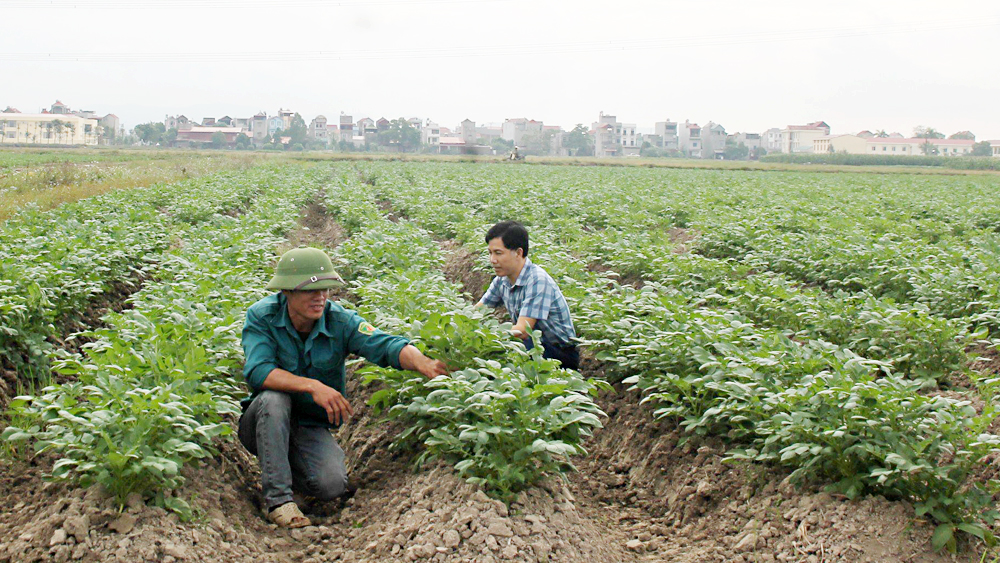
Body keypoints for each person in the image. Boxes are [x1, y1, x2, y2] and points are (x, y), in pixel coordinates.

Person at [239, 247, 449, 528]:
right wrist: (313, 385)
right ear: (287, 291)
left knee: (331, 485)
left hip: (309, 425)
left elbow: (385, 344)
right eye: (310, 290)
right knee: (274, 399)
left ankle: (292, 477)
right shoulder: (262, 316)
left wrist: (423, 363)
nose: (320, 297)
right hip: (262, 422)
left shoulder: (339, 320)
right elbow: (258, 370)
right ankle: (278, 500)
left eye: (326, 289)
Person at [477, 221, 580, 370]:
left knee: (508, 350)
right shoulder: (502, 279)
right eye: (490, 253)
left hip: (559, 354)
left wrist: (489, 338)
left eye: (498, 253)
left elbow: (523, 331)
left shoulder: (537, 280)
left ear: (518, 253)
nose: (492, 260)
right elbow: (478, 311)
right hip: (534, 345)